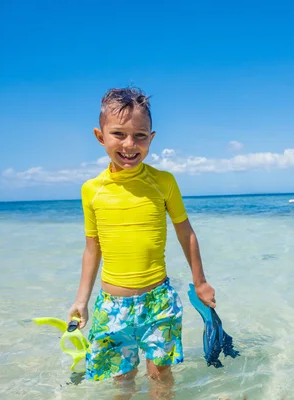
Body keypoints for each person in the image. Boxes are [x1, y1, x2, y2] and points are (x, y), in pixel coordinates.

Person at [67, 86, 216, 391]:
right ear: (100, 136)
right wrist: (82, 301)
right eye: (118, 134)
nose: (129, 145)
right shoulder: (91, 190)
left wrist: (200, 282)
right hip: (112, 305)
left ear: (152, 138)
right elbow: (92, 248)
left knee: (160, 376)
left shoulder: (164, 182)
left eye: (140, 136)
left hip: (158, 300)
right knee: (122, 380)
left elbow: (185, 232)